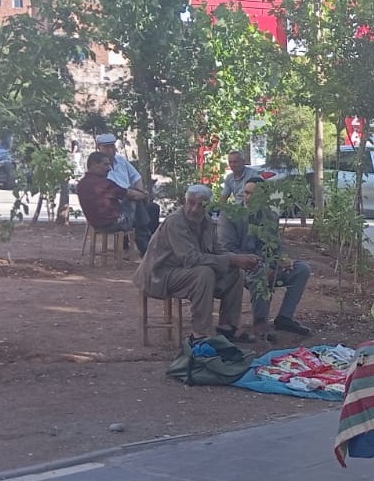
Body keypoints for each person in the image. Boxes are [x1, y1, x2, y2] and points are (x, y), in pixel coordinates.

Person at [133, 184, 259, 344]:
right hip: (159, 275)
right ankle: (200, 334)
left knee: (235, 272)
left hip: (183, 272)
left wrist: (240, 259)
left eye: (200, 205)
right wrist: (232, 259)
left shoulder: (206, 221)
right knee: (204, 273)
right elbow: (190, 259)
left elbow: (217, 251)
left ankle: (227, 327)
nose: (194, 209)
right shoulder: (175, 222)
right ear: (185, 201)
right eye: (191, 203)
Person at [216, 177, 313, 341]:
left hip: (266, 263)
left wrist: (282, 259)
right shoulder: (229, 214)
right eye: (246, 193)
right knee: (259, 273)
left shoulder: (270, 215)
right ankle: (260, 324)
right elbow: (226, 249)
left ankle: (284, 318)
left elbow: (275, 246)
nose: (249, 197)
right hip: (239, 266)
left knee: (302, 269)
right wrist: (258, 262)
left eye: (254, 194)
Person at [94, 132, 159, 251]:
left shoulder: (121, 160)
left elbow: (136, 177)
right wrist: (137, 195)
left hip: (130, 198)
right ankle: (144, 246)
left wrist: (140, 191)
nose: (110, 150)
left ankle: (148, 240)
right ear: (99, 148)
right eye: (106, 147)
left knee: (153, 208)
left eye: (112, 146)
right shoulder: (97, 165)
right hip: (113, 204)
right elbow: (113, 190)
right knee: (135, 204)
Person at [74, 153, 149, 239]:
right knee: (135, 200)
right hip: (114, 224)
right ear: (94, 165)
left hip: (95, 224)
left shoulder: (81, 183)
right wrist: (144, 195)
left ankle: (143, 241)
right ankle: (145, 244)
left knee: (135, 201)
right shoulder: (104, 184)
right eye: (105, 164)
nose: (109, 168)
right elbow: (130, 194)